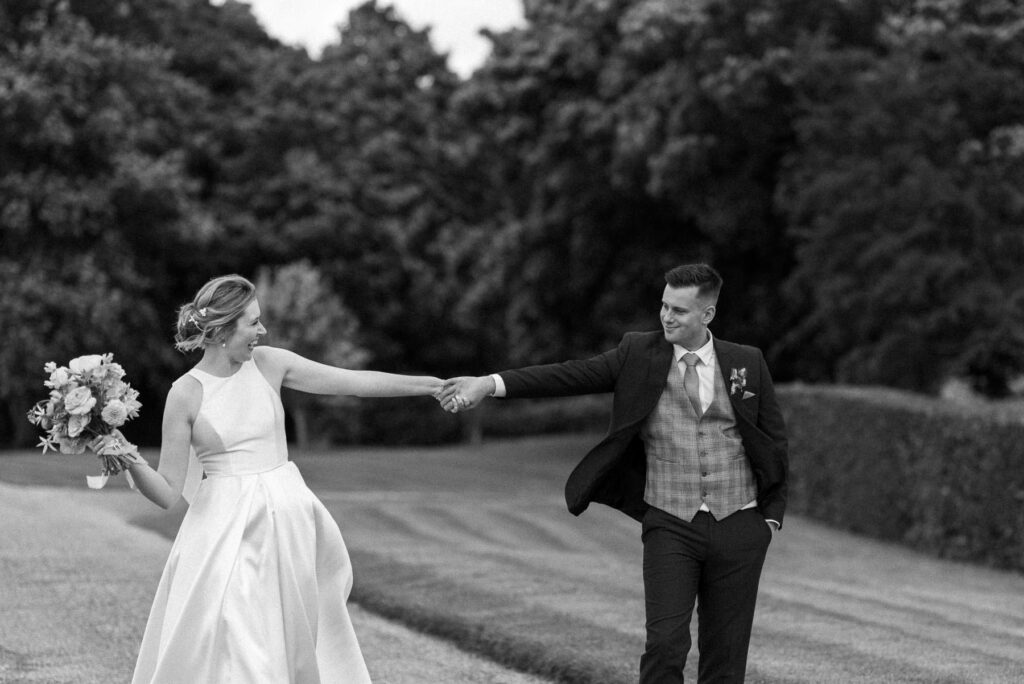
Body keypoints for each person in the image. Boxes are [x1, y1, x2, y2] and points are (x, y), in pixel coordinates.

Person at [440, 263, 788, 683]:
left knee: (726, 658)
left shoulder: (746, 363)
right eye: (663, 306)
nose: (666, 317)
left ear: (707, 315)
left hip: (739, 524)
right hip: (670, 522)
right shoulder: (637, 353)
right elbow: (568, 375)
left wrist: (768, 517)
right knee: (665, 645)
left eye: (678, 310)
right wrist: (489, 383)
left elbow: (773, 439)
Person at [124, 274, 443, 684]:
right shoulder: (185, 394)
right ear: (222, 330)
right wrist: (126, 457)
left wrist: (431, 386)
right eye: (252, 323)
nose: (263, 330)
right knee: (241, 641)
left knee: (290, 637)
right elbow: (168, 492)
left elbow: (354, 384)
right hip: (222, 534)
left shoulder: (270, 364)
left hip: (287, 521)